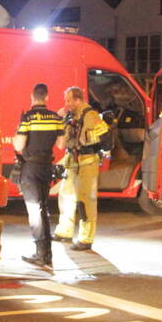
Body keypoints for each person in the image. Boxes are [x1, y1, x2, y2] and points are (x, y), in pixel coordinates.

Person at [12, 83, 65, 268]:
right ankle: (46, 253)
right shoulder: (55, 118)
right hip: (46, 166)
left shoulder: (28, 118)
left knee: (35, 210)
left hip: (31, 168)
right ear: (47, 97)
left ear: (32, 97)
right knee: (43, 207)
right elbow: (61, 144)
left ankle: (41, 254)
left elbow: (19, 146)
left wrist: (15, 139)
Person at [53, 85, 108, 251]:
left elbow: (99, 136)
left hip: (87, 161)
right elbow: (63, 140)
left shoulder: (90, 115)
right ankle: (65, 231)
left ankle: (86, 238)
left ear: (77, 99)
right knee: (66, 195)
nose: (66, 103)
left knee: (86, 200)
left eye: (69, 100)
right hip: (72, 160)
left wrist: (81, 135)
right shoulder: (71, 115)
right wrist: (60, 118)